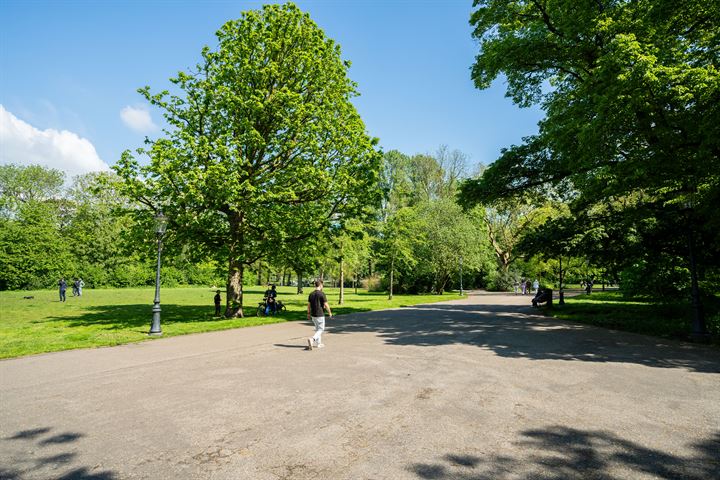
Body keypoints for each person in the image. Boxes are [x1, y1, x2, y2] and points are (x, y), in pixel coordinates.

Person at [307, 279, 332, 350]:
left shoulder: (311, 294)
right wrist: (329, 312)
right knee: (321, 329)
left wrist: (308, 313)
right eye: (322, 285)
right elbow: (326, 304)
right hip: (320, 314)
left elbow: (308, 305)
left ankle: (319, 344)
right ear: (320, 285)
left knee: (317, 329)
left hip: (313, 314)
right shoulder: (322, 294)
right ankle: (312, 339)